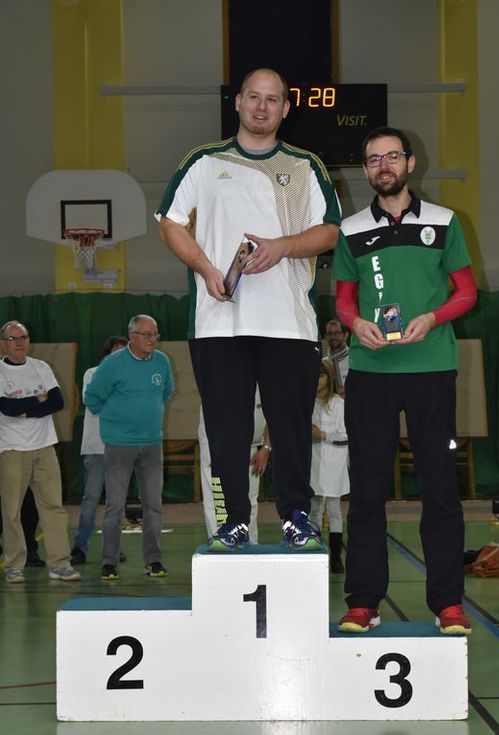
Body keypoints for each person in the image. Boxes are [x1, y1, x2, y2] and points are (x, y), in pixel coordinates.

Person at [156, 67, 341, 551]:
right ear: (237, 102)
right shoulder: (203, 161)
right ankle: (234, 521)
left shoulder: (305, 166)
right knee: (226, 431)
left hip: (290, 324)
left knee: (291, 427)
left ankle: (296, 517)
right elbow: (169, 222)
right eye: (254, 97)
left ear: (285, 108)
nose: (262, 107)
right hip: (219, 322)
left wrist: (282, 248)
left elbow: (330, 231)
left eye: (272, 99)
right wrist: (206, 269)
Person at [333, 126, 478, 635]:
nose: (384, 166)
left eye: (392, 156)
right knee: (367, 490)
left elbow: (466, 293)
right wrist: (356, 324)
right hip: (371, 373)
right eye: (374, 159)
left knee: (440, 488)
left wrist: (433, 318)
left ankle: (448, 603)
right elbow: (343, 299)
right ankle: (363, 602)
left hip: (431, 369)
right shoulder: (350, 229)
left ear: (410, 163)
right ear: (366, 169)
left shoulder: (444, 221)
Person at [84, 315, 174, 580]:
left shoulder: (162, 361)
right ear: (132, 337)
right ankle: (109, 562)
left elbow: (166, 392)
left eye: (155, 334)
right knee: (115, 506)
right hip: (119, 445)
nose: (152, 339)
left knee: (153, 505)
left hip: (152, 444)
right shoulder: (112, 364)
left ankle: (153, 561)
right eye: (147, 334)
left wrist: (145, 416)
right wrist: (117, 421)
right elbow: (93, 398)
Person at [0, 321, 80, 583]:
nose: (19, 342)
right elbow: (6, 408)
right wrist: (38, 400)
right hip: (12, 449)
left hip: (45, 447)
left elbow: (57, 401)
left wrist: (25, 410)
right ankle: (14, 565)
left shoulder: (41, 367)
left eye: (23, 337)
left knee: (53, 507)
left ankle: (60, 563)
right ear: (2, 344)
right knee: (11, 511)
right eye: (13, 339)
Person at [70, 334, 128, 566]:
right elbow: (94, 403)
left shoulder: (131, 376)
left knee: (117, 502)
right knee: (91, 498)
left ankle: (113, 549)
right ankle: (80, 547)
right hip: (95, 447)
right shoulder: (92, 374)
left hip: (121, 447)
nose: (120, 355)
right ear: (107, 354)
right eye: (116, 351)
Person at [198, 388, 270, 543]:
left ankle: (250, 546)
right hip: (215, 442)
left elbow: (274, 410)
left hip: (252, 444)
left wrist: (266, 447)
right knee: (218, 499)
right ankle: (220, 543)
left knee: (250, 501)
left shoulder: (267, 377)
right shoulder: (217, 379)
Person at [309, 358, 349, 573]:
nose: (317, 380)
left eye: (321, 375)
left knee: (334, 510)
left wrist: (322, 435)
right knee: (314, 510)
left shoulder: (339, 404)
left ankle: (336, 557)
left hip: (335, 463)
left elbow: (346, 436)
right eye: (314, 376)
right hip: (314, 462)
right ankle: (315, 554)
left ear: (329, 377)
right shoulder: (307, 403)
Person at [323, 317, 350, 394]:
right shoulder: (323, 364)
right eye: (329, 333)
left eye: (337, 333)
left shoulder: (355, 360)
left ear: (346, 335)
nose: (333, 337)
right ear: (325, 336)